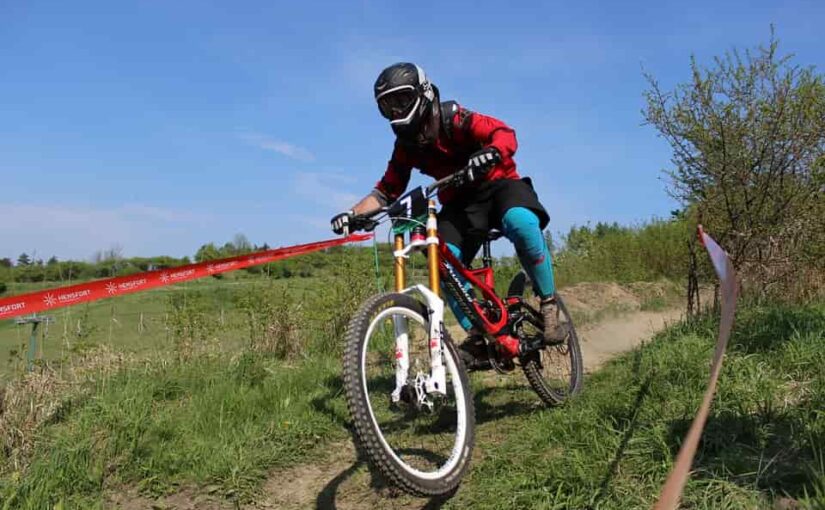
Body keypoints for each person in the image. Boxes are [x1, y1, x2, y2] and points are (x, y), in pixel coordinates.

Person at [331, 62, 564, 368]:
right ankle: (480, 334)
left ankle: (549, 303)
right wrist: (351, 214)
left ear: (423, 93)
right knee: (440, 260)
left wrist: (491, 151)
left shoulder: (454, 118)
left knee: (521, 223)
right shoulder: (406, 147)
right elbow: (386, 190)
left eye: (401, 100)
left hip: (498, 185)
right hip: (460, 204)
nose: (396, 111)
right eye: (387, 107)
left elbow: (503, 133)